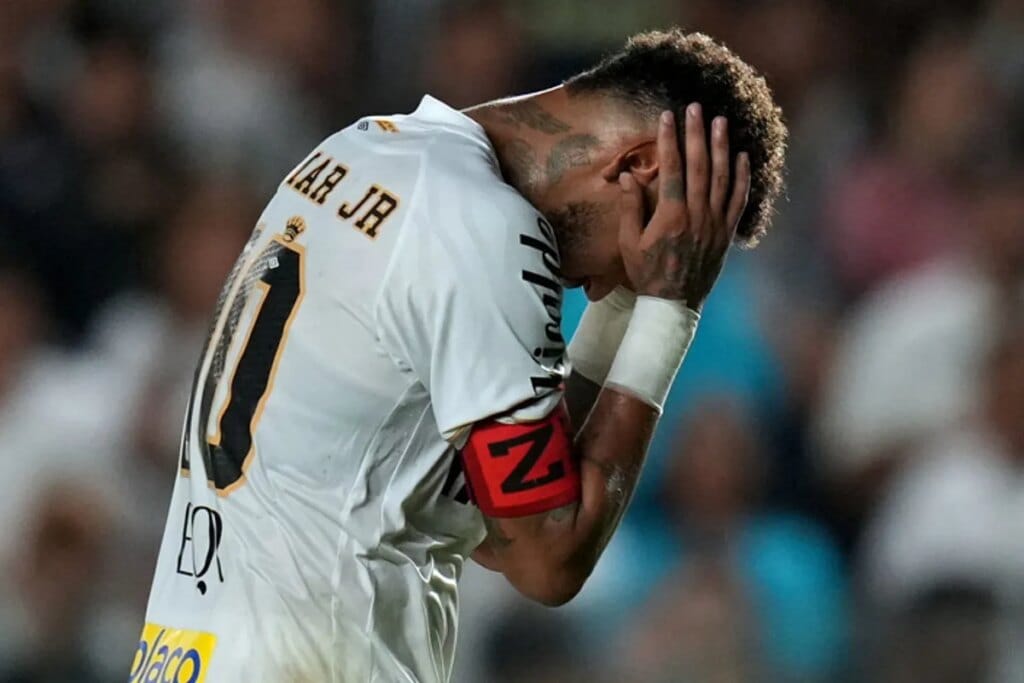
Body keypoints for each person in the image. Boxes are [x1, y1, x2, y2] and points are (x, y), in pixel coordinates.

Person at [134, 29, 786, 682]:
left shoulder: (356, 150)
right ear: (640, 167)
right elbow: (545, 559)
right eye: (672, 241)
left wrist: (622, 306)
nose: (605, 285)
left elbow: (502, 526)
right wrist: (670, 305)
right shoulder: (485, 228)